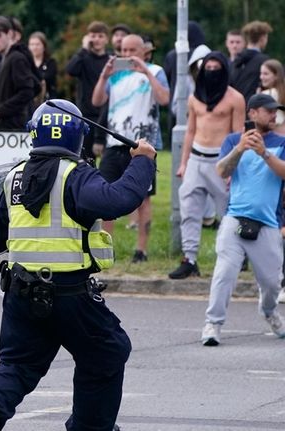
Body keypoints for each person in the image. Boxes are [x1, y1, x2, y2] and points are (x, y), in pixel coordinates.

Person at [0, 99, 156, 431]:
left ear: (34, 135)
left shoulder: (14, 178)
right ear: (77, 137)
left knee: (18, 364)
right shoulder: (76, 175)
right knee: (106, 354)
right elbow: (118, 200)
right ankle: (90, 427)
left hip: (20, 294)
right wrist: (141, 162)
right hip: (71, 296)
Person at [201, 93, 285, 346]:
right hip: (234, 218)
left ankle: (269, 311)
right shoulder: (232, 141)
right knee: (224, 273)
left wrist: (264, 153)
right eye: (268, 110)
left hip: (268, 223)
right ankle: (213, 324)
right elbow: (221, 170)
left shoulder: (281, 142)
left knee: (271, 283)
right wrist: (240, 148)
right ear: (252, 113)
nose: (273, 115)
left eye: (275, 111)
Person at [92, 34, 169, 263]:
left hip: (142, 145)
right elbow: (96, 101)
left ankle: (141, 250)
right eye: (123, 50)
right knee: (104, 195)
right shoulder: (116, 76)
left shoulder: (155, 71)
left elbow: (164, 99)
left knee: (143, 198)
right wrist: (104, 75)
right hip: (114, 144)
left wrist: (144, 70)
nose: (127, 55)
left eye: (132, 50)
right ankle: (106, 247)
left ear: (144, 51)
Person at [170, 52, 245, 279]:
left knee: (228, 212)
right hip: (196, 158)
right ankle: (189, 259)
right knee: (189, 210)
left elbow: (237, 136)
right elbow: (191, 131)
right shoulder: (195, 97)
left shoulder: (235, 98)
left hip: (221, 161)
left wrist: (233, 168)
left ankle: (237, 256)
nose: (212, 72)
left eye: (216, 68)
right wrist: (183, 163)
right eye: (208, 68)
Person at [65, 21, 109, 165]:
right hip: (86, 116)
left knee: (107, 163)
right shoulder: (83, 58)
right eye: (93, 36)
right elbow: (71, 70)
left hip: (107, 116)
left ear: (106, 39)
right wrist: (84, 48)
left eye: (100, 36)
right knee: (86, 162)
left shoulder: (110, 60)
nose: (96, 39)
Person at [0, 16, 38, 130]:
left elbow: (27, 91)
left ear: (10, 34)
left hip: (14, 128)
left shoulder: (17, 58)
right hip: (5, 127)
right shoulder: (3, 61)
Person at [231, 21, 271, 102]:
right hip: (254, 108)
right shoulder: (265, 62)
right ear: (262, 38)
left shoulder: (235, 61)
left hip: (235, 108)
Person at [258, 59, 285, 135]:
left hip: (273, 136)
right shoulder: (281, 92)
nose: (261, 77)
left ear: (276, 76)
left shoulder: (267, 94)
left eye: (266, 74)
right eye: (261, 73)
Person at [28, 31, 57, 101]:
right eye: (32, 44)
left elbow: (48, 78)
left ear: (44, 46)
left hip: (47, 100)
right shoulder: (26, 63)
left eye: (37, 44)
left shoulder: (50, 63)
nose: (34, 47)